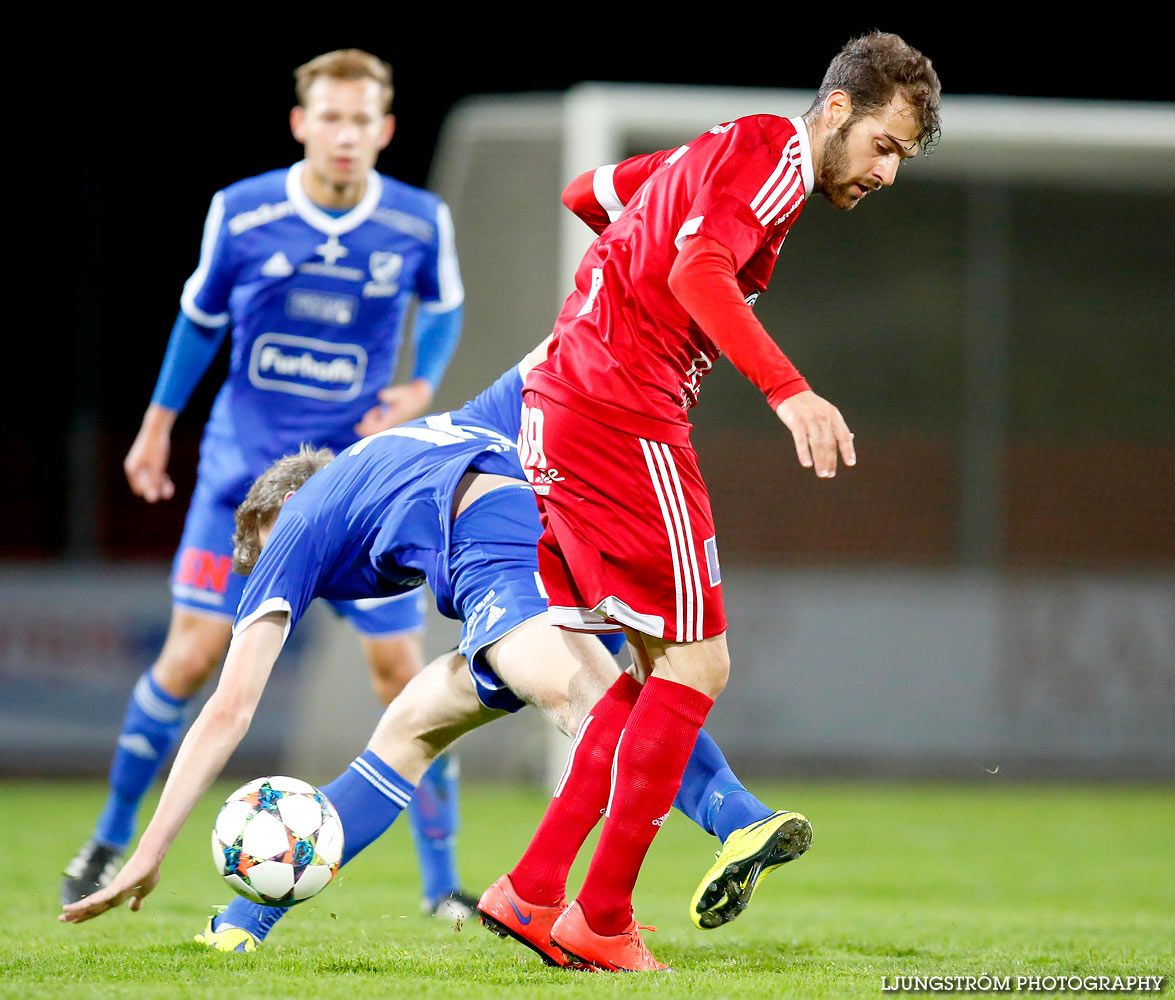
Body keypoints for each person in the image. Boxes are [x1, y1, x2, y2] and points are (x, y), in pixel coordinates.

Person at [59, 354, 807, 968]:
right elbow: (555, 354)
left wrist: (147, 852)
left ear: (273, 515)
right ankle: (239, 924)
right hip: (562, 529)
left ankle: (700, 844)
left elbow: (229, 707)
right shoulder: (417, 441)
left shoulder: (297, 524)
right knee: (409, 731)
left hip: (500, 544)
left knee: (586, 705)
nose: (275, 580)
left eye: (260, 561)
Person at [487, 31, 942, 971]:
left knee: (650, 671)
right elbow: (697, 270)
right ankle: (601, 920)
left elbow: (590, 196)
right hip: (623, 415)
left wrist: (626, 279)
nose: (887, 172)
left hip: (560, 405)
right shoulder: (777, 152)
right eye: (884, 146)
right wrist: (788, 391)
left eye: (902, 157)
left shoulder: (716, 148)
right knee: (700, 667)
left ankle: (533, 891)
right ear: (837, 110)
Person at [61, 49, 474, 920]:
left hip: (355, 487)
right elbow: (198, 319)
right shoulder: (242, 212)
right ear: (301, 124)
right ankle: (109, 834)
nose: (346, 134)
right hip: (243, 476)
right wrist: (157, 423)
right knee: (191, 658)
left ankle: (443, 889)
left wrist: (419, 379)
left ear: (385, 130)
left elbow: (443, 304)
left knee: (400, 667)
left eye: (362, 120)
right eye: (330, 117)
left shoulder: (416, 220)